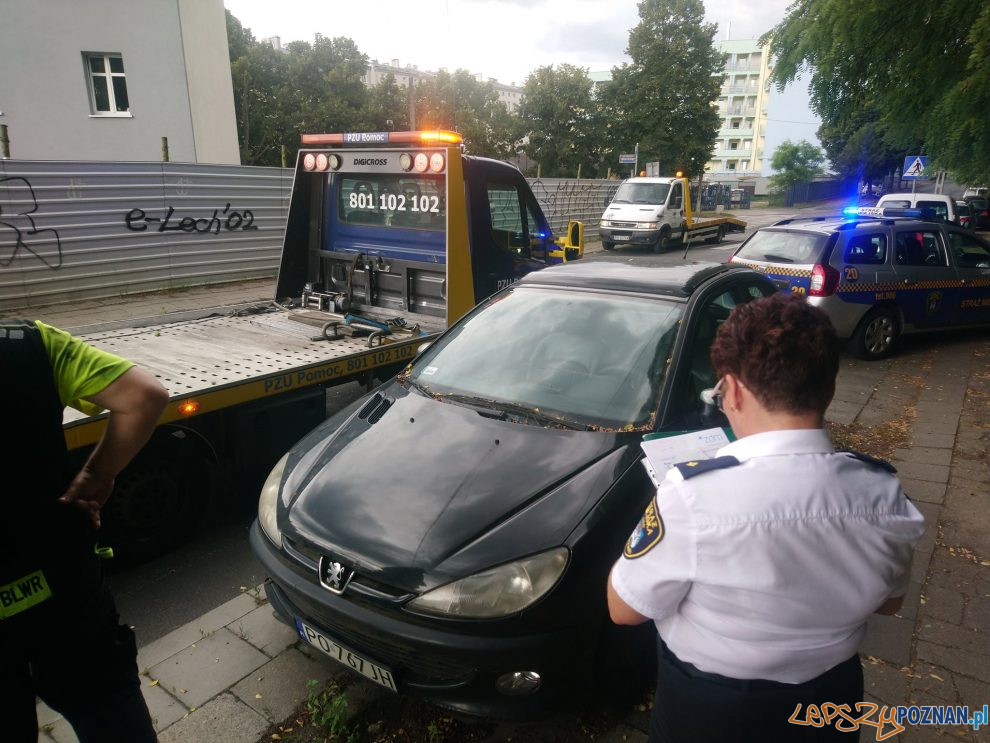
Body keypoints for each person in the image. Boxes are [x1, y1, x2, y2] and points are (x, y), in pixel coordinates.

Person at [606, 293, 925, 742]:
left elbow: (624, 610)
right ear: (828, 388)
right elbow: (890, 603)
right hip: (832, 700)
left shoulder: (693, 495)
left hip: (713, 710)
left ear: (732, 390)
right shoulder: (883, 490)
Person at [0, 319, 169, 743]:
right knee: (112, 718)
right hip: (63, 596)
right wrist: (97, 472)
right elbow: (145, 396)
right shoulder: (31, 345)